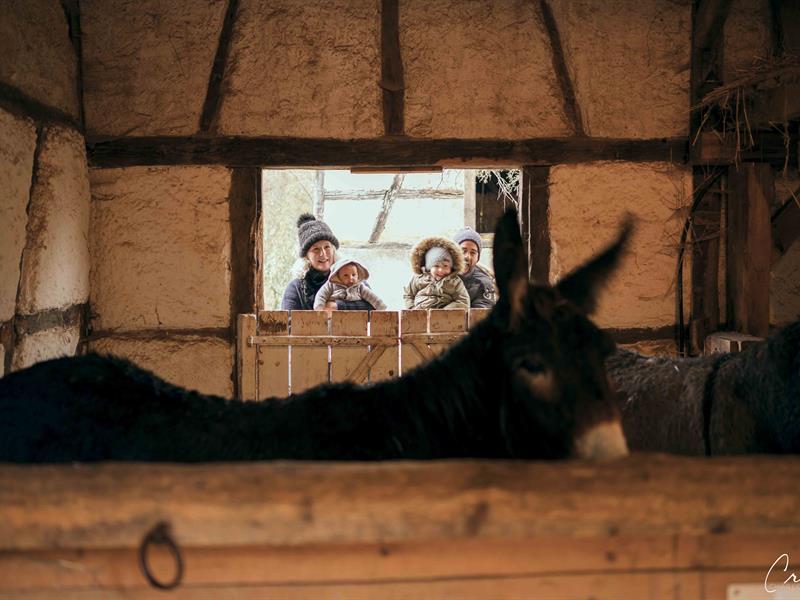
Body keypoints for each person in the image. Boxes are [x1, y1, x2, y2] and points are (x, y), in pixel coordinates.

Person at [281, 214, 375, 311]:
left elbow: (374, 307)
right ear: (306, 256)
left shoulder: (352, 276)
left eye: (327, 247)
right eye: (316, 249)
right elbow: (289, 322)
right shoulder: (295, 288)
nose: (323, 254)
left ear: (334, 249)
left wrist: (338, 306)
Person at [403, 236, 469, 309]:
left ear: (451, 267)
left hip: (446, 317)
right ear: (429, 267)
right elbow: (408, 295)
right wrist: (412, 310)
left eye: (445, 266)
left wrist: (445, 312)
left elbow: (463, 301)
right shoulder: (418, 279)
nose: (441, 270)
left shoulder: (455, 282)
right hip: (420, 314)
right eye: (436, 266)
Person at [313, 257, 387, 311]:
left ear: (358, 274)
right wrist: (319, 307)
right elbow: (321, 295)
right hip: (334, 317)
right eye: (346, 275)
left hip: (355, 317)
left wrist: (381, 307)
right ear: (338, 276)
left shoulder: (360, 287)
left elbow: (372, 297)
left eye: (354, 275)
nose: (351, 278)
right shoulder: (331, 285)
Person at [452, 227, 496, 308]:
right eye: (463, 250)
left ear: (477, 258)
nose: (467, 257)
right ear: (453, 253)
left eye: (473, 253)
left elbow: (481, 315)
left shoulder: (482, 283)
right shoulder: (440, 274)